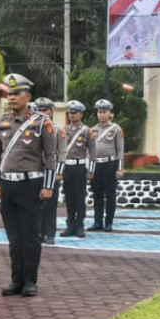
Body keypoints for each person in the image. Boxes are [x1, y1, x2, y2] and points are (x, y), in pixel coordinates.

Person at [0, 74, 57, 297]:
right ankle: (16, 280)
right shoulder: (2, 122)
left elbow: (51, 156)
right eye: (9, 94)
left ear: (28, 96)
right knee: (14, 237)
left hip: (32, 185)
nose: (12, 97)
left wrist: (48, 186)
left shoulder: (42, 122)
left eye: (17, 93)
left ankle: (30, 281)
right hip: (8, 185)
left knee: (30, 235)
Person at [88, 99, 124, 231]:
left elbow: (120, 150)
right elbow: (90, 152)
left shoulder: (116, 129)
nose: (101, 114)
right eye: (99, 112)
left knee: (110, 195)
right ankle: (97, 222)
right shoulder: (92, 130)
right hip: (97, 165)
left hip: (110, 164)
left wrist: (119, 168)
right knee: (97, 195)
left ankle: (109, 222)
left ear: (110, 114)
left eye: (104, 112)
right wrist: (90, 169)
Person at [35, 98, 66, 244]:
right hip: (35, 172)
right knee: (36, 206)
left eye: (45, 110)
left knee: (50, 205)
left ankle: (50, 234)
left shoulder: (58, 129)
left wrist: (58, 172)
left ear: (51, 111)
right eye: (39, 110)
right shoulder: (31, 128)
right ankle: (39, 233)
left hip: (51, 172)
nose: (42, 113)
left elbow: (62, 153)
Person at [59, 100, 90, 238]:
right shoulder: (64, 130)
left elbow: (92, 151)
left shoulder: (86, 131)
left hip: (80, 166)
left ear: (81, 114)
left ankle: (80, 226)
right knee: (69, 197)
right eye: (70, 113)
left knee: (79, 197)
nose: (72, 115)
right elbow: (60, 151)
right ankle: (70, 225)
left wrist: (91, 169)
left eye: (75, 113)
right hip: (67, 167)